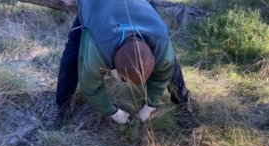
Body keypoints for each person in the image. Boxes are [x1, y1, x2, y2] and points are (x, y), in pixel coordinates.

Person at [55, 0, 197, 128]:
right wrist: (112, 111)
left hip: (139, 7)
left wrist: (150, 105)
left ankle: (183, 105)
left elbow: (164, 71)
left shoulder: (160, 38)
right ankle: (64, 106)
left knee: (170, 63)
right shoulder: (97, 45)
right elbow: (90, 88)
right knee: (70, 62)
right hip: (96, 10)